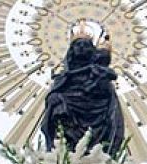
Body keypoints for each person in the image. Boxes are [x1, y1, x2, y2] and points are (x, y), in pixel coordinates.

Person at [40, 26, 124, 156]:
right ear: (71, 50)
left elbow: (107, 92)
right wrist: (56, 99)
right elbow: (55, 92)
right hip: (69, 116)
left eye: (85, 45)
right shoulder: (63, 76)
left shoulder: (98, 71)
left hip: (97, 113)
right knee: (55, 100)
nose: (81, 48)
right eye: (78, 45)